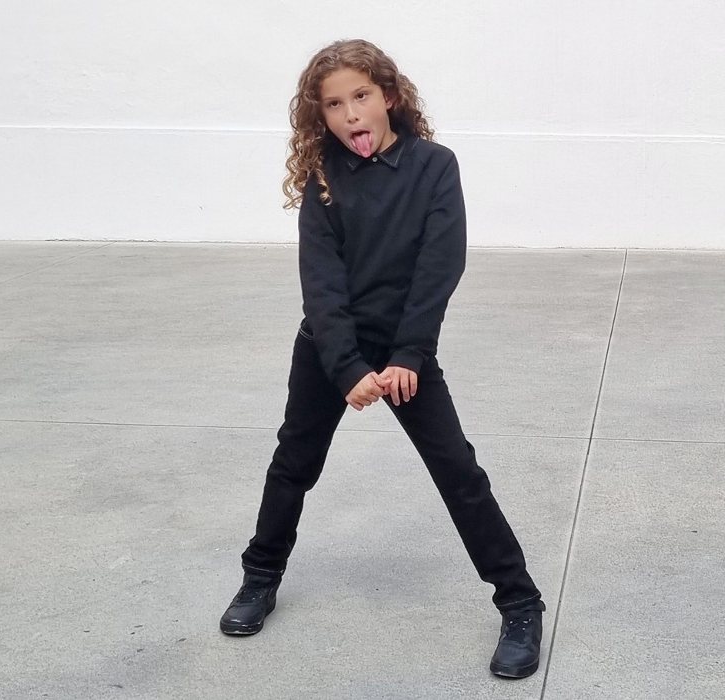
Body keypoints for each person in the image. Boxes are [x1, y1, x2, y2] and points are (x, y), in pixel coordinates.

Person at [219, 38, 545, 679]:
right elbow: (322, 282)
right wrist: (345, 369)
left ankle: (520, 602)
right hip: (329, 348)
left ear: (389, 95)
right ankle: (259, 577)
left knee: (459, 473)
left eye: (361, 96)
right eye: (333, 104)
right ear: (321, 116)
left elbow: (438, 265)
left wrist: (408, 357)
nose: (350, 114)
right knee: (294, 463)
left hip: (404, 355)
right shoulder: (323, 179)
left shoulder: (434, 166)